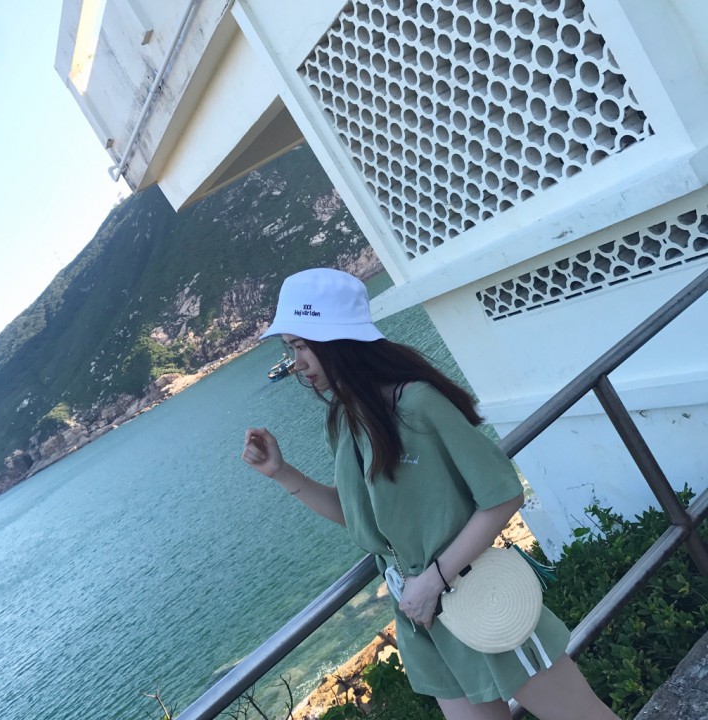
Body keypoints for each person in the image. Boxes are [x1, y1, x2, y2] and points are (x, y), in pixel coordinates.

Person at [242, 268, 619, 720]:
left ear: (337, 340)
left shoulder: (417, 402)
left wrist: (433, 579)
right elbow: (360, 515)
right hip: (420, 615)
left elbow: (502, 494)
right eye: (291, 349)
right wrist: (281, 472)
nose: (297, 364)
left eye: (302, 346)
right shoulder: (345, 417)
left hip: (476, 593)